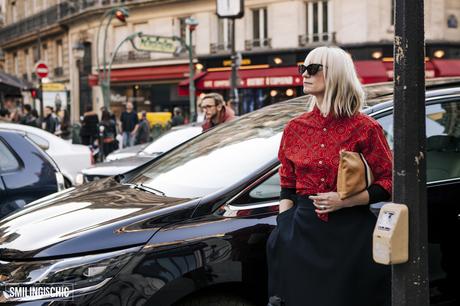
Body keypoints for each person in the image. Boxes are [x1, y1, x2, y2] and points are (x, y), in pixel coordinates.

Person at [266, 46, 393, 306]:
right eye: (302, 68)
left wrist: (344, 201)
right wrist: (284, 224)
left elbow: (388, 181)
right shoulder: (295, 127)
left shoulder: (366, 128)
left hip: (350, 236)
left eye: (312, 69)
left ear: (335, 74)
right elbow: (287, 183)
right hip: (301, 233)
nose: (303, 75)